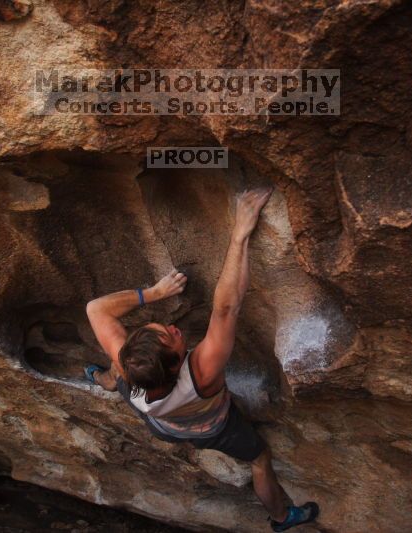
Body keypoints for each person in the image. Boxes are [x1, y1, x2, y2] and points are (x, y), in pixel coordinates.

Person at [84, 188, 319, 531]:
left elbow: (96, 309)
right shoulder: (202, 373)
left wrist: (154, 293)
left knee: (118, 377)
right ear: (178, 366)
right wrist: (240, 234)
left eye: (164, 327)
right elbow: (226, 308)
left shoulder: (129, 364)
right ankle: (283, 518)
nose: (174, 328)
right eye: (172, 338)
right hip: (215, 427)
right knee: (259, 458)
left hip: (160, 424)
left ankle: (101, 380)